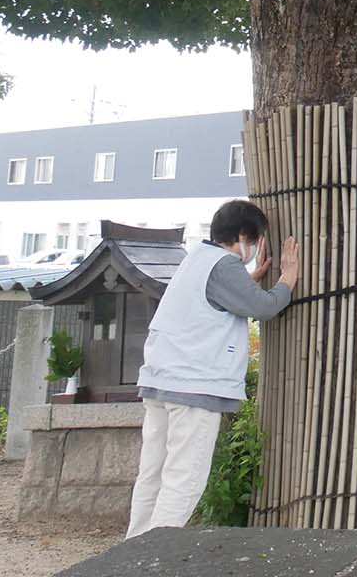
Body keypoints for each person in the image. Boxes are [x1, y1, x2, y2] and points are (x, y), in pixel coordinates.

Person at [126, 199, 299, 537]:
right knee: (183, 480)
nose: (255, 249)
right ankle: (153, 561)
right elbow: (264, 306)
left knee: (153, 475)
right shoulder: (224, 265)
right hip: (194, 388)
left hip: (161, 380)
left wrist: (247, 279)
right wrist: (288, 279)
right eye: (257, 240)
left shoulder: (197, 259)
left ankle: (131, 553)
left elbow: (214, 304)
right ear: (245, 237)